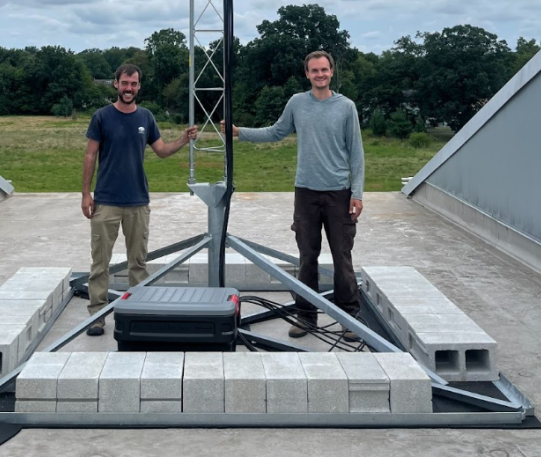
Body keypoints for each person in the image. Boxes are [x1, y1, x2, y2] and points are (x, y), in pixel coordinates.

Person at [222, 50, 364, 339]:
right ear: (307, 74)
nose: (320, 75)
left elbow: (356, 153)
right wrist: (239, 133)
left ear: (332, 72)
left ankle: (350, 318)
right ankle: (306, 316)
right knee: (306, 257)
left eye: (324, 70)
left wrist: (357, 193)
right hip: (306, 193)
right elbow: (276, 132)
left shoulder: (346, 107)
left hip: (339, 192)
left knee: (342, 257)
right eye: (314, 71)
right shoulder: (297, 103)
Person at [82, 64, 198, 336]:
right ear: (116, 84)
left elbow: (161, 151)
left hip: (137, 201)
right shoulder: (101, 117)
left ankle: (137, 310)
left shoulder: (146, 117)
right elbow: (90, 156)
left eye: (133, 84)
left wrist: (182, 139)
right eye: (124, 83)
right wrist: (86, 193)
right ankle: (97, 315)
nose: (128, 88)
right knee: (101, 262)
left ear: (139, 87)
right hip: (106, 201)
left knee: (138, 263)